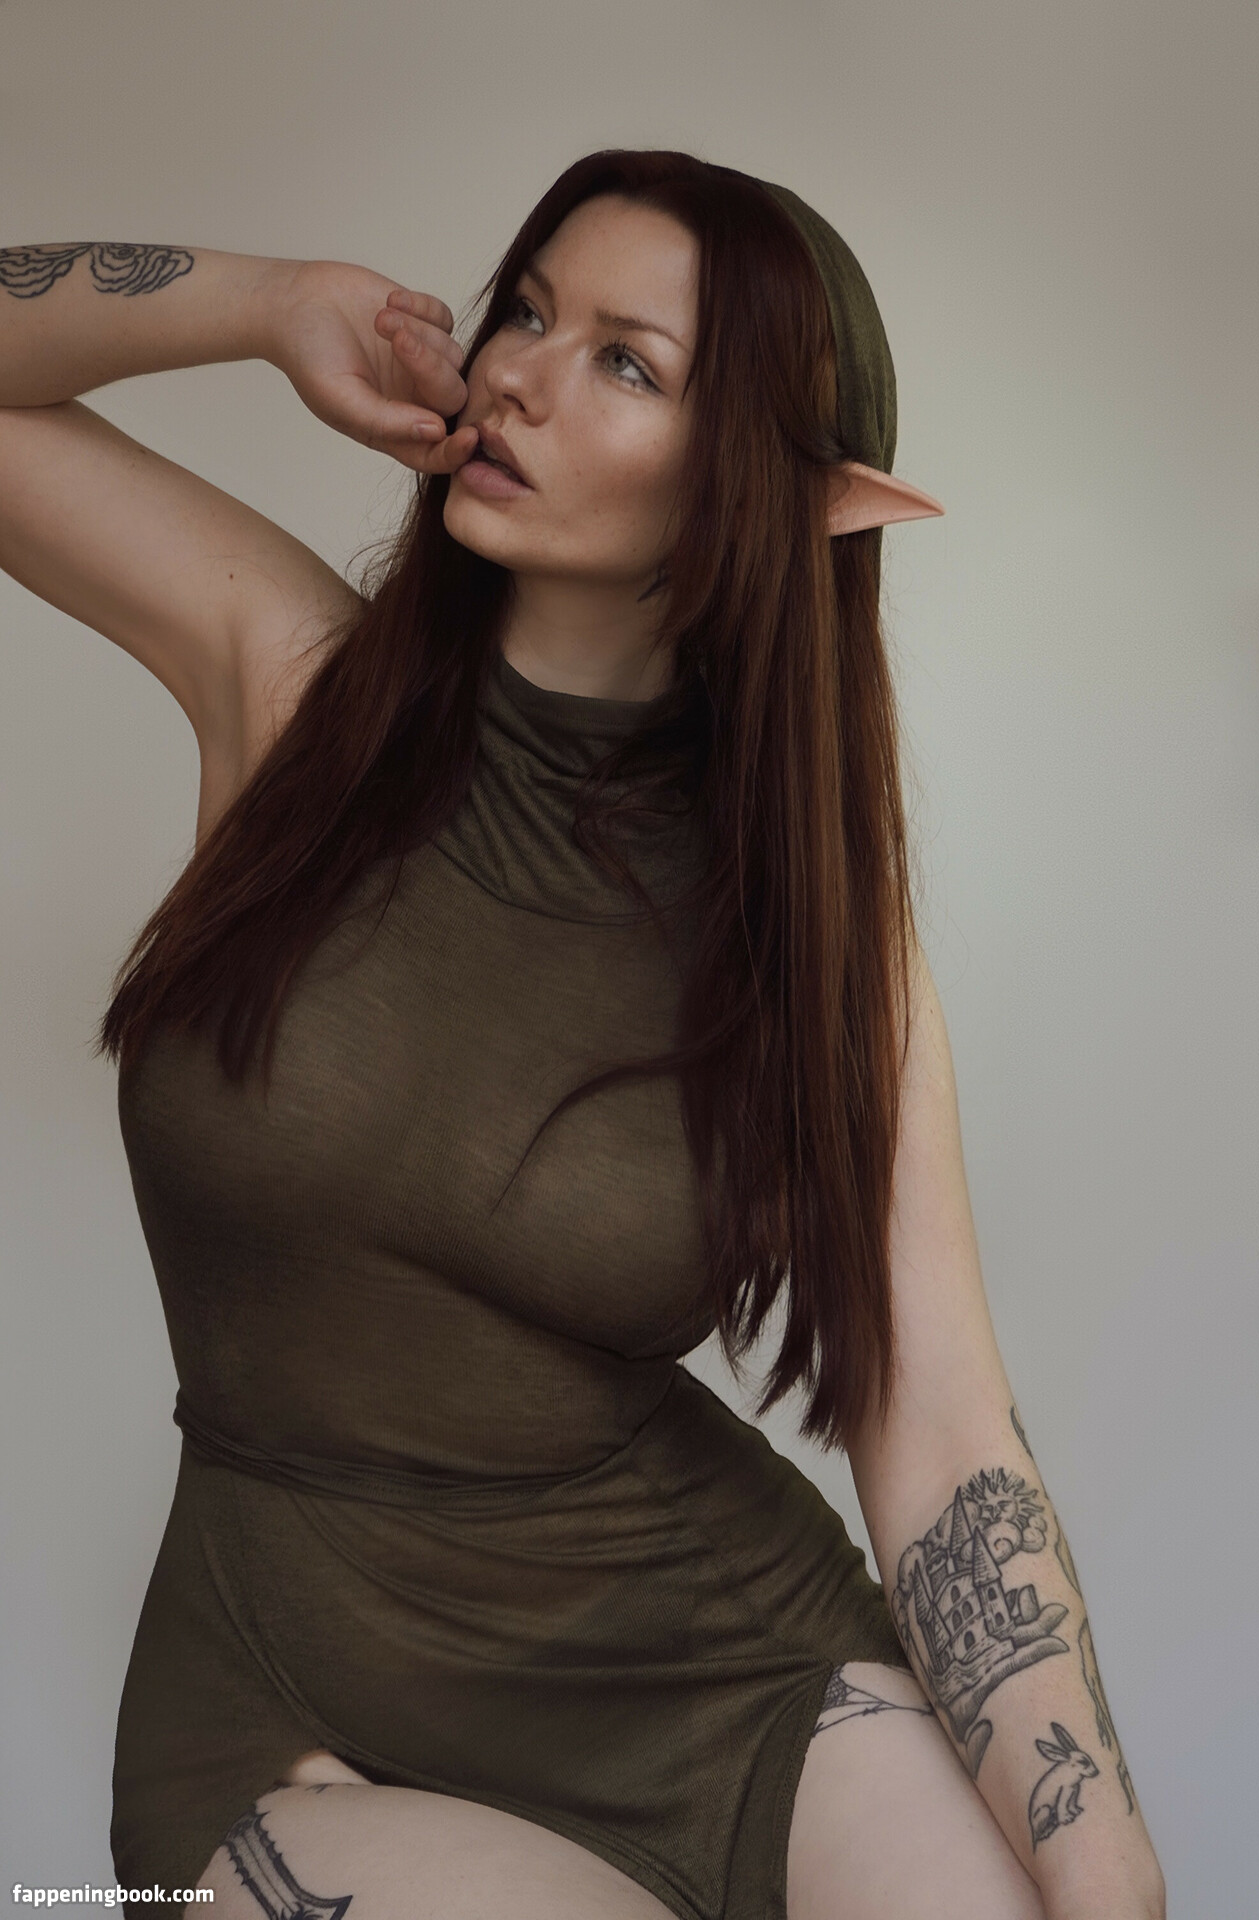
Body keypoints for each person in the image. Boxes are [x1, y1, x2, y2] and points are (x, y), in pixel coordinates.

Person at [0, 149, 1165, 1920]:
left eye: (627, 360)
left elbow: (935, 1418)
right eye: (528, 313)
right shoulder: (293, 687)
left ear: (789, 499)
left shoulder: (821, 934)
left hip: (718, 1656)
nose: (521, 376)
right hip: (288, 1684)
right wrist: (267, 302)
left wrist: (1111, 1878)